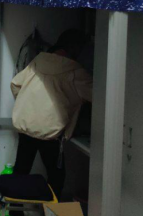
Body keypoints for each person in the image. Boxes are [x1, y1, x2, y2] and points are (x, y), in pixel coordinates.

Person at [11, 28, 93, 200]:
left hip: (26, 124)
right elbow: (96, 96)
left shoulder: (38, 61)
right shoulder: (75, 71)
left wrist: (26, 104)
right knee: (56, 176)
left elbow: (15, 84)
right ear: (75, 48)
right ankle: (50, 213)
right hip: (51, 132)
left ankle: (15, 211)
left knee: (21, 169)